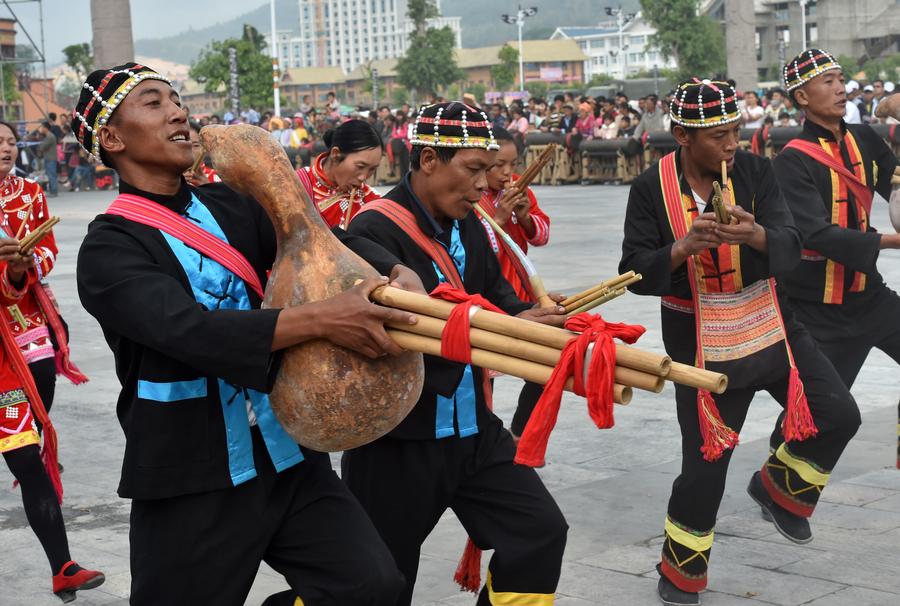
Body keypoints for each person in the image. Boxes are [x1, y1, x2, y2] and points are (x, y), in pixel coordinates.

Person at [73, 62, 426, 606]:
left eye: (176, 99)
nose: (178, 112)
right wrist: (326, 318)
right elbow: (187, 330)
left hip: (287, 455)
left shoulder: (232, 207)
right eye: (153, 102)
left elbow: (315, 234)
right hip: (192, 476)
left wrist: (397, 270)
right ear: (112, 138)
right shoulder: (108, 249)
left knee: (371, 587)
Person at [619, 78, 860, 606]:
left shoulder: (755, 171)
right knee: (706, 469)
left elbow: (792, 247)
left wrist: (755, 235)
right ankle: (680, 573)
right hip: (701, 342)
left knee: (840, 413)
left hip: (772, 323)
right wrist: (681, 248)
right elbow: (634, 271)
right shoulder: (650, 188)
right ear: (682, 136)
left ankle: (778, 490)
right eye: (719, 136)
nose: (732, 144)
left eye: (734, 131)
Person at [344, 101, 569, 605]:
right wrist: (509, 326)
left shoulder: (469, 222)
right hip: (399, 439)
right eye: (471, 170)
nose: (481, 186)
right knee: (379, 583)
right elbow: (404, 329)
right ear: (427, 160)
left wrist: (547, 324)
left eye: (487, 172)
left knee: (540, 532)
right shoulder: (371, 231)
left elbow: (502, 301)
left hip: (473, 428)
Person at [0, 119, 104, 602]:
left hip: (31, 336)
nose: (4, 148)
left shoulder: (29, 193)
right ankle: (62, 563)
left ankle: (62, 567)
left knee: (28, 450)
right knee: (24, 454)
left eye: (6, 141)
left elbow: (46, 248)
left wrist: (23, 264)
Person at [774, 49, 900, 392]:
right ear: (802, 96)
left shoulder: (866, 138)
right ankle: (782, 448)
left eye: (842, 80)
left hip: (870, 295)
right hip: (818, 309)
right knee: (819, 418)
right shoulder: (791, 160)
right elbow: (815, 233)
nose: (841, 88)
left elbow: (896, 192)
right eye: (828, 82)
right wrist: (891, 242)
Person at [477, 126, 551, 442]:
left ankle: (520, 433)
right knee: (482, 378)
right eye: (497, 165)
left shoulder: (522, 189)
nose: (507, 173)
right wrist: (499, 217)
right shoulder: (472, 194)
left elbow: (542, 235)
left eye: (512, 164)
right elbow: (475, 247)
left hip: (520, 297)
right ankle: (484, 440)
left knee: (545, 368)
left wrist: (524, 216)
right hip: (486, 300)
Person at [296, 119, 383, 229]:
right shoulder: (297, 185)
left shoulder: (372, 201)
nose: (364, 178)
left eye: (372, 169)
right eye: (360, 166)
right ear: (336, 155)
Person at [184, 120, 220, 186]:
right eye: (184, 145)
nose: (190, 150)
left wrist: (208, 187)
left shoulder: (218, 178)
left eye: (195, 145)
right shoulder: (164, 180)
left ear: (204, 148)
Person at [35, 121, 58, 197]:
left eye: (42, 127)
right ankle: (52, 190)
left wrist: (39, 145)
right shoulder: (48, 136)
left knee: (51, 175)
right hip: (49, 158)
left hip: (50, 158)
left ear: (45, 128)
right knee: (50, 175)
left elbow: (42, 147)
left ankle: (54, 191)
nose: (41, 129)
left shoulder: (50, 136)